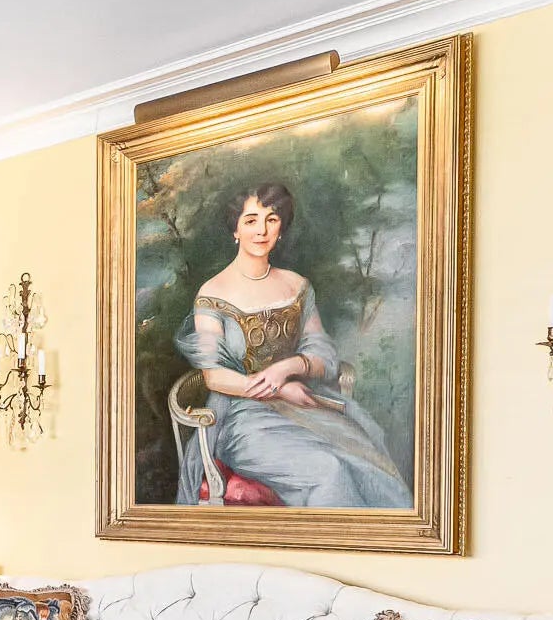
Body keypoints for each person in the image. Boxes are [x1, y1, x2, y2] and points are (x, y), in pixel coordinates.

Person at [172, 182, 411, 509]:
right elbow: (215, 377)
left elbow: (322, 354)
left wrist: (290, 366)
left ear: (281, 227)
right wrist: (279, 389)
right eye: (251, 220)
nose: (261, 230)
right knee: (329, 470)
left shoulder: (297, 285)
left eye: (271, 219)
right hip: (244, 420)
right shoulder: (212, 293)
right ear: (236, 230)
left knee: (369, 466)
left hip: (305, 405)